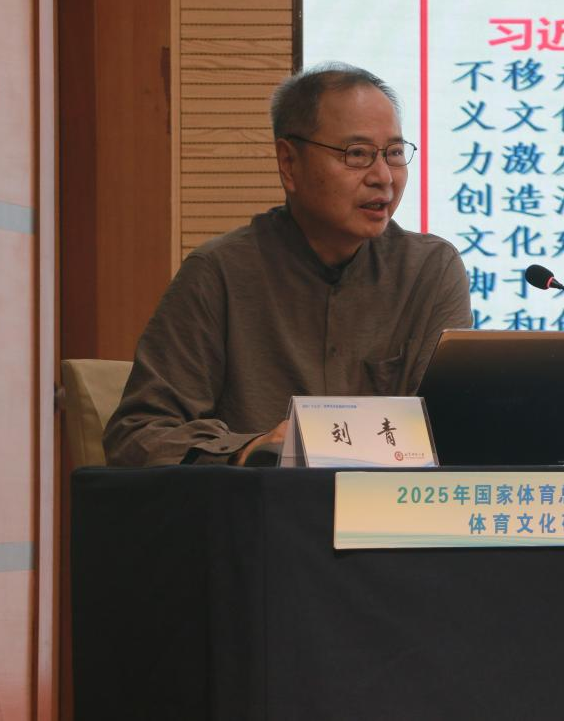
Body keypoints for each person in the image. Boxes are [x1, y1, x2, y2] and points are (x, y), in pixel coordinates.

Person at [102, 63, 473, 466]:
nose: (383, 176)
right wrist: (248, 452)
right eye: (357, 154)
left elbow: (451, 428)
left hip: (387, 505)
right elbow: (138, 434)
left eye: (395, 154)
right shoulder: (220, 273)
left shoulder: (429, 270)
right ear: (289, 163)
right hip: (262, 503)